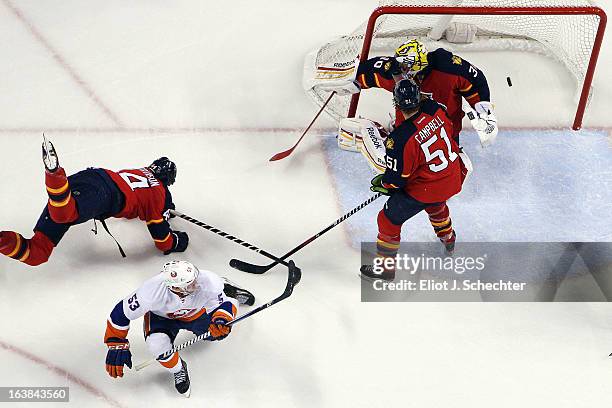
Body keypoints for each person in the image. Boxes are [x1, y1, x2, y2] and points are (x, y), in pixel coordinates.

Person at [0, 137, 188, 266]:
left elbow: (149, 202)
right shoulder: (159, 192)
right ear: (168, 180)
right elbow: (162, 239)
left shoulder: (141, 171)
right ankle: (54, 173)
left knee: (37, 253)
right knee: (64, 214)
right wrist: (177, 241)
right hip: (105, 195)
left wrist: (165, 209)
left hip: (88, 178)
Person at [360, 79, 470, 282]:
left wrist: (385, 184)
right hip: (452, 177)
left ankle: (385, 270)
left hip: (427, 188)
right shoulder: (436, 109)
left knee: (387, 220)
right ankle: (449, 239)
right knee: (436, 204)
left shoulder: (401, 139)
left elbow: (396, 180)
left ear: (397, 103)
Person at [103, 260, 255, 397]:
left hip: (197, 312)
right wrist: (116, 342)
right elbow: (120, 313)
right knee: (157, 347)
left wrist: (221, 319)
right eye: (190, 284)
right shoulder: (150, 292)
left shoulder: (207, 280)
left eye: (194, 278)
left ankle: (228, 289)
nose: (196, 283)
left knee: (216, 335)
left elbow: (221, 304)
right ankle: (178, 369)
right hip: (162, 318)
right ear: (175, 288)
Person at [332, 38, 498, 154]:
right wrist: (354, 80)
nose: (400, 71)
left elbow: (476, 80)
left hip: (445, 133)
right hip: (407, 132)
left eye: (405, 67)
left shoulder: (448, 67)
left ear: (417, 66)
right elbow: (371, 70)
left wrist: (482, 108)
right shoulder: (396, 72)